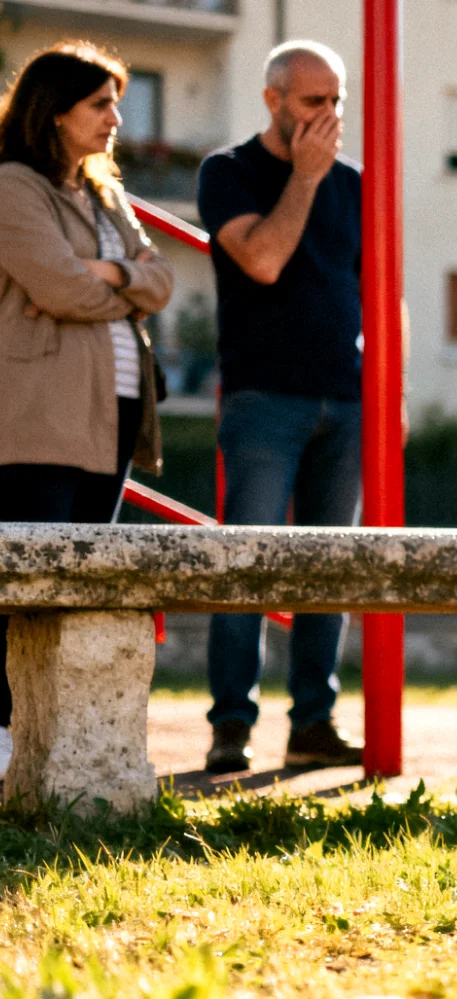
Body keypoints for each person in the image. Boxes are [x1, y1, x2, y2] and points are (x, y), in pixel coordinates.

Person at [0, 40, 173, 769]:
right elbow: (58, 287)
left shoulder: (105, 194)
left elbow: (162, 280)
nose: (115, 118)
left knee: (79, 583)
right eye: (100, 103)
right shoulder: (13, 186)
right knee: (24, 585)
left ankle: (54, 746)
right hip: (40, 417)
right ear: (55, 111)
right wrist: (120, 280)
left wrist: (109, 271)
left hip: (113, 417)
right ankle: (4, 735)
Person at [197, 41, 365, 774]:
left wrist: (392, 391)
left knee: (329, 568)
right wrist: (304, 178)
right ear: (273, 100)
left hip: (348, 398)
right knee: (248, 563)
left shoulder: (354, 186)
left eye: (337, 102)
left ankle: (314, 721)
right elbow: (262, 259)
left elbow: (381, 294)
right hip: (264, 396)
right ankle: (231, 723)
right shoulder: (227, 173)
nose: (328, 117)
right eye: (312, 102)